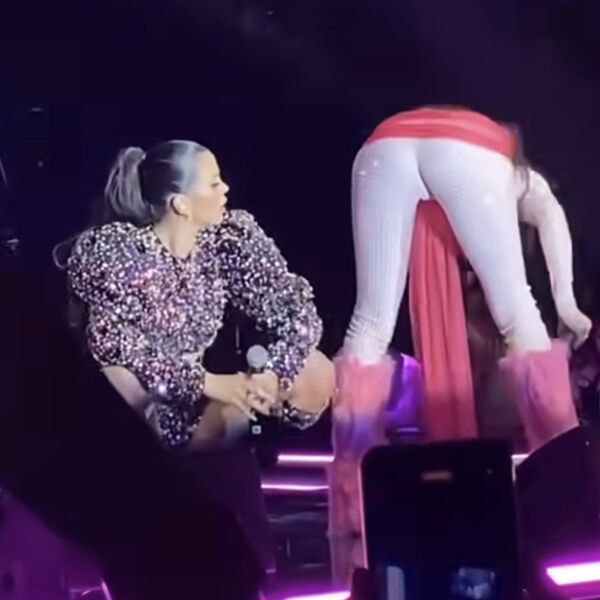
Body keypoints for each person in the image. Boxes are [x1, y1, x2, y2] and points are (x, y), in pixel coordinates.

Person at [330, 106, 591, 539]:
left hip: (382, 147)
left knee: (368, 326)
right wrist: (567, 305)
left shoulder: (489, 164)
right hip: (466, 150)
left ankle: (352, 507)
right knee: (519, 316)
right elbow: (551, 215)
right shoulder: (520, 176)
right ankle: (566, 485)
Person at [64, 140, 334, 450]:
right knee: (117, 379)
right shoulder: (123, 253)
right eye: (214, 183)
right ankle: (153, 464)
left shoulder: (226, 239)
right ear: (181, 205)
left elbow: (297, 312)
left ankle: (221, 452)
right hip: (151, 398)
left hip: (204, 405)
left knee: (316, 370)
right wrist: (204, 382)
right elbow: (114, 345)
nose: (226, 189)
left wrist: (273, 374)